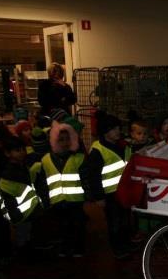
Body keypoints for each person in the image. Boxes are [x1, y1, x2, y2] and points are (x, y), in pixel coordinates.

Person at [83, 111, 133, 259]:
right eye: (114, 129)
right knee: (114, 223)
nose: (118, 131)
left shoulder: (120, 145)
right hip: (109, 195)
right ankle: (118, 248)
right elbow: (94, 177)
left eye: (118, 128)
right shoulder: (98, 151)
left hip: (123, 191)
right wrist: (99, 197)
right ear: (105, 132)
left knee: (125, 220)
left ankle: (125, 243)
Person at [37, 121, 86, 257]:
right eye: (61, 139)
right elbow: (42, 183)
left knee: (77, 225)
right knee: (61, 227)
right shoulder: (45, 160)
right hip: (56, 202)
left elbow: (85, 178)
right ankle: (65, 247)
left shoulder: (79, 158)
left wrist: (89, 195)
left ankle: (77, 248)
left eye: (67, 139)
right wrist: (45, 200)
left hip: (75, 201)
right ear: (54, 141)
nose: (64, 143)